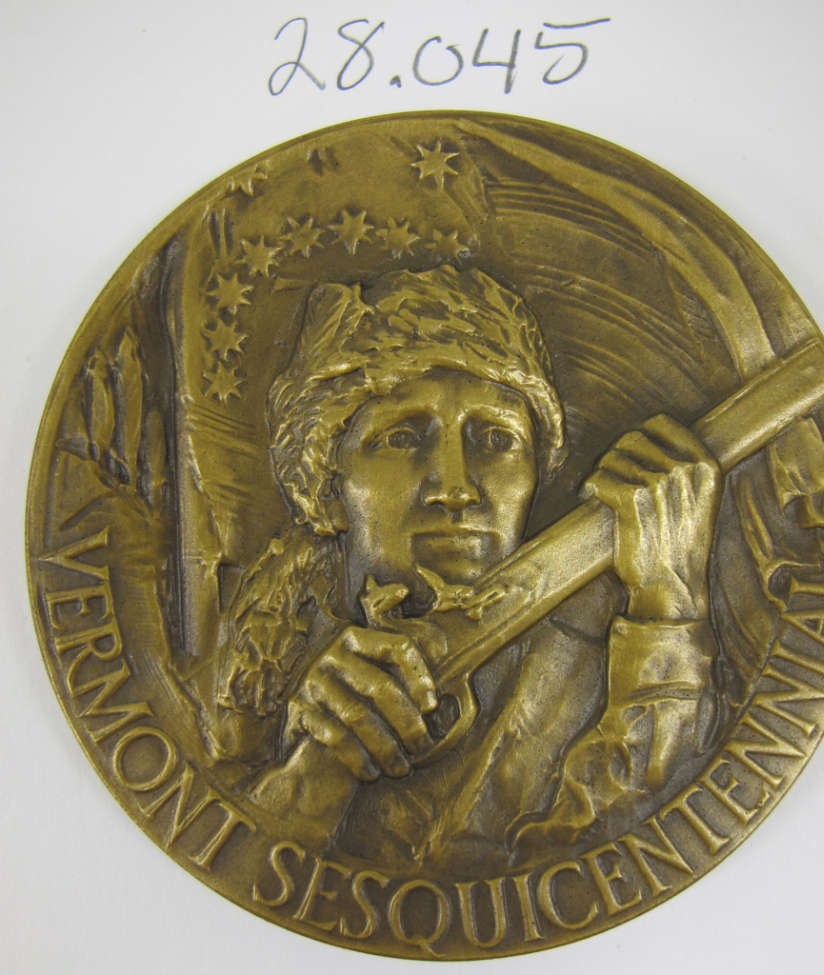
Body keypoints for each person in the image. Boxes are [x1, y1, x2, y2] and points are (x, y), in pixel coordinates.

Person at [211, 265, 723, 871]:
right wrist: (310, 783)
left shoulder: (585, 667)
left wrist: (668, 611)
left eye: (496, 440)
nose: (454, 488)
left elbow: (600, 862)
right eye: (402, 438)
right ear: (326, 484)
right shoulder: (237, 675)